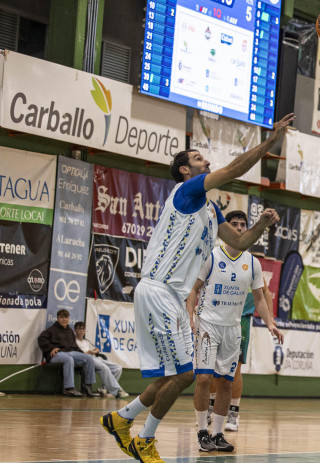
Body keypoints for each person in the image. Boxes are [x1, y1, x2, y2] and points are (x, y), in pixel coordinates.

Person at [99, 112, 293, 463]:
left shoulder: (210, 210)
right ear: (186, 170)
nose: (206, 161)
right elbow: (234, 170)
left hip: (170, 297)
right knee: (187, 373)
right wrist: (270, 142)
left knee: (174, 375)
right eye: (198, 158)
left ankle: (120, 418)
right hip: (159, 290)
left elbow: (241, 241)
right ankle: (145, 439)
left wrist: (262, 224)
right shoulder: (187, 191)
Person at [187, 210, 283, 452]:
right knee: (205, 379)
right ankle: (202, 431)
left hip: (233, 328)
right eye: (234, 224)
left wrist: (270, 322)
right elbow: (193, 289)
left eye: (243, 225)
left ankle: (218, 434)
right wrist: (189, 315)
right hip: (208, 325)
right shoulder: (211, 256)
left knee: (226, 383)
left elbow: (259, 297)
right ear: (226, 229)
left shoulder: (252, 263)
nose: (240, 228)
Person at [205, 276, 275, 432]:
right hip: (217, 318)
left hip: (240, 321)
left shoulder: (250, 265)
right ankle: (209, 409)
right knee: (211, 367)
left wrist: (270, 318)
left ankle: (233, 414)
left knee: (235, 369)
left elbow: (265, 292)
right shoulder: (219, 261)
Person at [38, 309, 99, 397]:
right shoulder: (51, 330)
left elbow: (74, 346)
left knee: (88, 358)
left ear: (68, 319)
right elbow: (41, 339)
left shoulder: (70, 331)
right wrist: (51, 348)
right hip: (57, 355)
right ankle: (69, 388)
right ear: (58, 319)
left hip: (70, 352)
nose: (64, 319)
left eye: (66, 317)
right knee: (68, 359)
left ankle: (87, 386)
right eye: (61, 317)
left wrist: (82, 353)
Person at [74, 321, 129, 399]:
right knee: (104, 368)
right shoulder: (74, 341)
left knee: (118, 368)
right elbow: (76, 353)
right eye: (79, 329)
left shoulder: (86, 341)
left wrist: (93, 351)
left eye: (83, 329)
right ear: (75, 330)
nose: (82, 331)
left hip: (94, 358)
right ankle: (117, 391)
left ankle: (104, 389)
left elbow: (97, 349)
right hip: (86, 360)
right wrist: (86, 353)